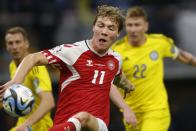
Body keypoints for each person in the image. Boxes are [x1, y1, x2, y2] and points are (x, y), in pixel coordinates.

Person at [0, 5, 137, 131]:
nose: (104, 31)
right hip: (65, 125)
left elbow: (117, 77)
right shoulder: (72, 52)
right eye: (101, 25)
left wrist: (128, 87)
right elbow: (32, 58)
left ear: (118, 34)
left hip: (97, 124)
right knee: (81, 118)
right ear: (93, 27)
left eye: (111, 28)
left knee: (84, 117)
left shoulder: (115, 59)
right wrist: (16, 81)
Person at [112, 6, 196, 131]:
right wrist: (125, 109)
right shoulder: (116, 51)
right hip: (132, 113)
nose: (133, 29)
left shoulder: (159, 43)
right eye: (130, 25)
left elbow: (183, 56)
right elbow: (109, 83)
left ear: (145, 26)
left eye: (137, 25)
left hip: (156, 111)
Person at [3, 27, 55, 131]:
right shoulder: (12, 66)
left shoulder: (36, 67)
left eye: (18, 42)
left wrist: (26, 125)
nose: (14, 47)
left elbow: (49, 101)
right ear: (6, 46)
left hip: (41, 127)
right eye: (10, 43)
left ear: (26, 44)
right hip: (21, 125)